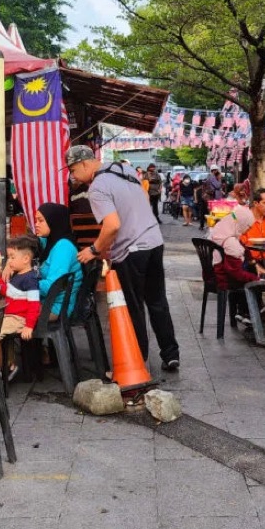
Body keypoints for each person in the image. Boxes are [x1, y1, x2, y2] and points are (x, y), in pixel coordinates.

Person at [66, 145, 180, 371]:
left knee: (134, 307)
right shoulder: (123, 169)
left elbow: (112, 225)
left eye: (73, 170)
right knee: (157, 301)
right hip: (154, 240)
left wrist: (94, 250)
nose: (72, 176)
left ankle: (137, 360)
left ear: (85, 163)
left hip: (131, 250)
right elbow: (144, 197)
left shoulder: (97, 188)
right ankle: (170, 354)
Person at [0, 235, 41, 376]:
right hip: (11, 316)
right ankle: (8, 365)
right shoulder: (18, 275)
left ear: (25, 259)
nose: (9, 261)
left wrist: (29, 325)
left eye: (12, 257)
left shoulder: (30, 280)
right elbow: (8, 292)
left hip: (19, 318)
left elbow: (34, 305)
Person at [210, 204, 260, 302]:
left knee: (251, 269)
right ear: (242, 223)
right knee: (253, 280)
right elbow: (237, 274)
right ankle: (251, 313)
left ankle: (243, 312)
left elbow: (243, 247)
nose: (248, 230)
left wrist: (253, 262)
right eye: (248, 226)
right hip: (224, 280)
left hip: (212, 275)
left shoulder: (221, 229)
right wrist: (258, 280)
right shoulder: (230, 242)